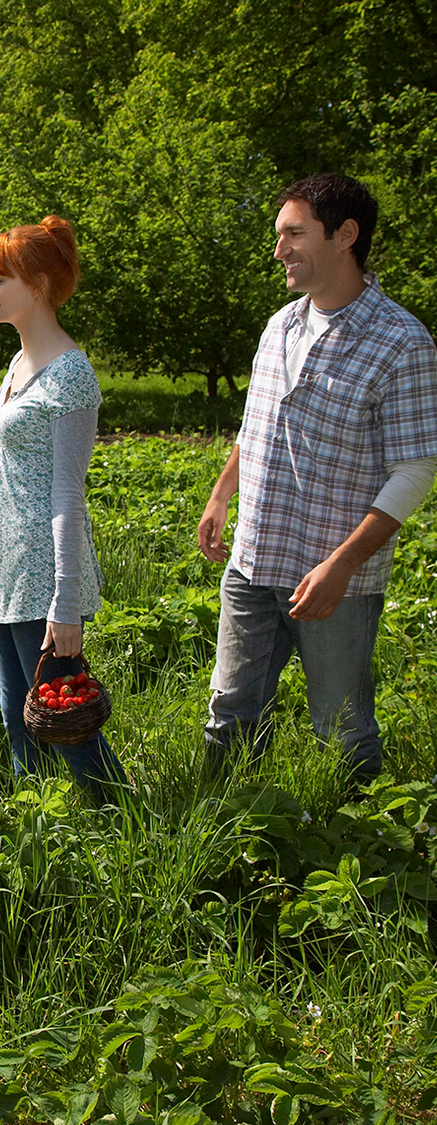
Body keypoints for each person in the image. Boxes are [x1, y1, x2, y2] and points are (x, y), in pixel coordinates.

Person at [197, 174, 437, 780]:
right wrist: (222, 494)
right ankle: (228, 825)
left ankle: (365, 844)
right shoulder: (280, 325)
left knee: (341, 723)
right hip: (254, 557)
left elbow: (415, 470)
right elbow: (256, 426)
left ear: (346, 236)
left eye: (294, 234)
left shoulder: (403, 342)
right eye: (279, 235)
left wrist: (343, 565)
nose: (279, 250)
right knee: (230, 709)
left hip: (332, 577)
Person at [0, 216, 124, 802]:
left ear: (36, 284)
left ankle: (118, 821)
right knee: (20, 715)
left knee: (68, 722)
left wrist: (65, 600)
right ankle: (38, 824)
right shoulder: (18, 364)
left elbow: (68, 494)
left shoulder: (71, 376)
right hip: (4, 570)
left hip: (43, 576)